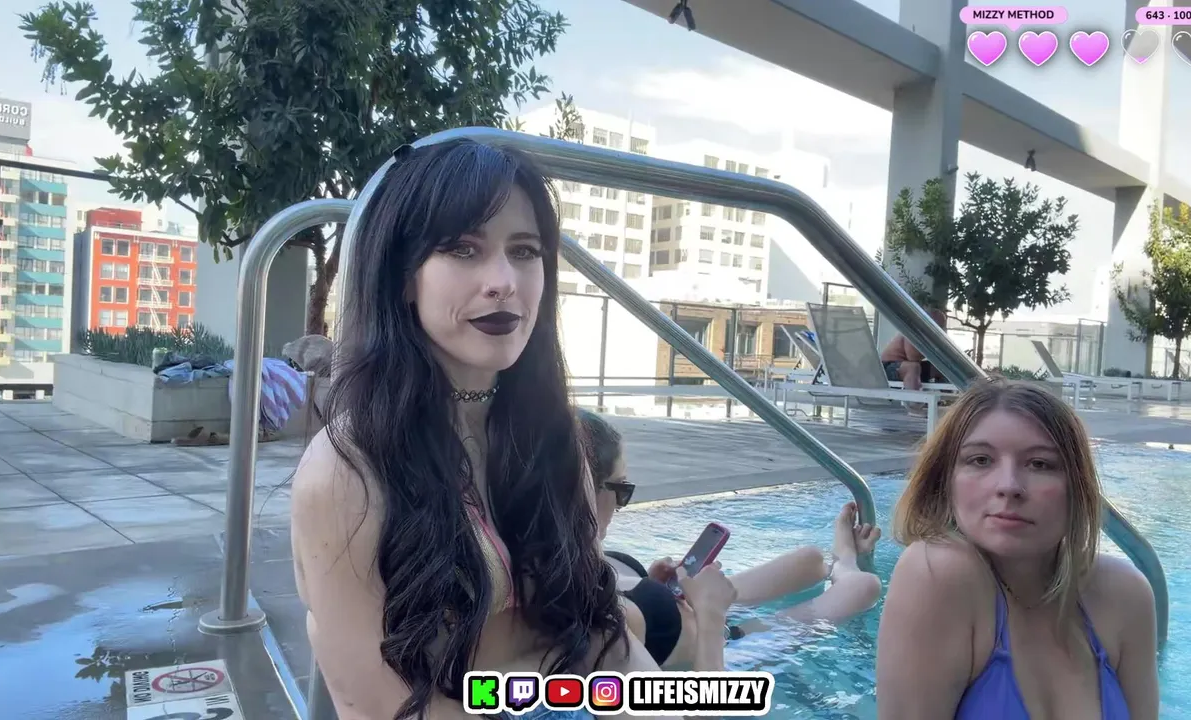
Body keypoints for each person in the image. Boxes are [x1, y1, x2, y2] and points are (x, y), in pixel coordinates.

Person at [290, 140, 676, 720]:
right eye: (463, 249)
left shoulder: (554, 437)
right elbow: (381, 707)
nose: (503, 281)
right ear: (404, 277)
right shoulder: (346, 471)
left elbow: (598, 629)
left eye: (524, 251)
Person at [876, 378, 1158, 719]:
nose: (1009, 486)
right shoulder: (936, 572)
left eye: (1040, 464)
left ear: (1077, 487)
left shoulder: (1125, 594)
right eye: (980, 460)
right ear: (945, 482)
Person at [576, 408, 883, 672]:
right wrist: (710, 615)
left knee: (810, 559)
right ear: (586, 492)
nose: (621, 504)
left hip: (699, 614)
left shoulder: (578, 564)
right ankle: (846, 562)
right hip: (728, 648)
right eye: (622, 489)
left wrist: (654, 586)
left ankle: (836, 563)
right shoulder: (601, 625)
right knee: (864, 587)